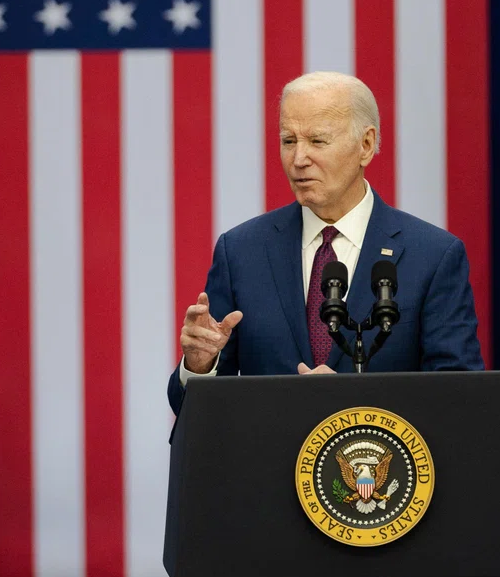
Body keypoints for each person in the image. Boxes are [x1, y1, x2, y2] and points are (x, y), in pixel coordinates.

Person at [167, 71, 484, 416]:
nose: (299, 159)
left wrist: (355, 403)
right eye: (289, 140)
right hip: (270, 451)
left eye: (317, 141)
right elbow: (195, 413)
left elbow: (459, 399)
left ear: (366, 145)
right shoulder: (242, 251)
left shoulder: (433, 256)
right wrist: (199, 365)